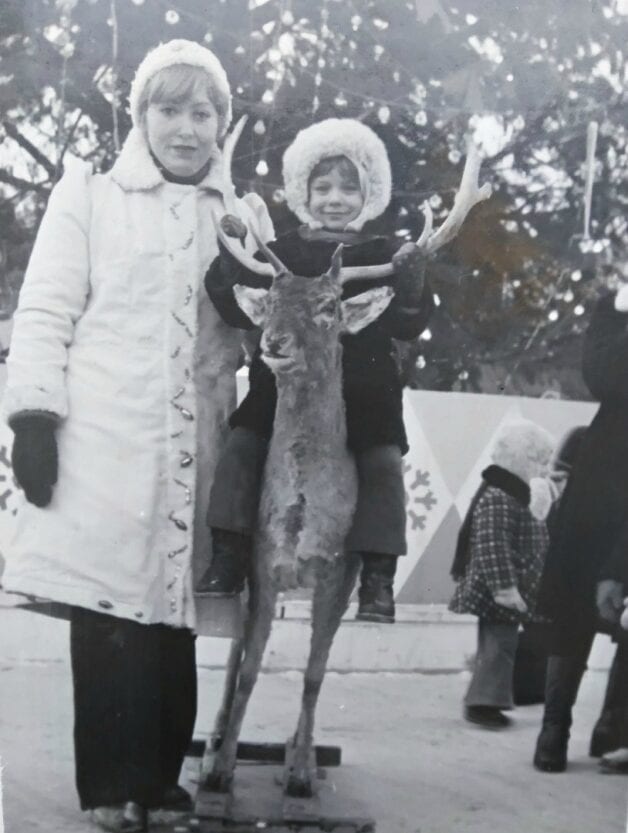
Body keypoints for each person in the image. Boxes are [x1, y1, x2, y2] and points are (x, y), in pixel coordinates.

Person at [1, 39, 273, 832]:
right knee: (109, 612)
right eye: (169, 109)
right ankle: (108, 786)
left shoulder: (240, 216)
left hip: (198, 439)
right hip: (101, 435)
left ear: (221, 122)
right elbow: (48, 308)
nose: (186, 129)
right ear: (140, 116)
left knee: (171, 611)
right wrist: (33, 419)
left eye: (203, 112)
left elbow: (267, 332)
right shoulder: (88, 195)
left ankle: (158, 778)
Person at [196, 117, 434, 624]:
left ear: (370, 195)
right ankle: (228, 555)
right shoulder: (278, 251)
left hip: (363, 391)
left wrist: (412, 285)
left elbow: (406, 323)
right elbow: (239, 308)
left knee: (383, 464)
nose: (335, 199)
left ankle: (377, 579)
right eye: (322, 187)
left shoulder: (387, 254)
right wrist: (229, 262)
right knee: (243, 446)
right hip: (279, 389)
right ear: (303, 191)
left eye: (350, 188)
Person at [533, 286, 628, 773]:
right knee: (574, 601)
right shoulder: (615, 305)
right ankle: (554, 729)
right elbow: (605, 377)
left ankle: (615, 731)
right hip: (608, 472)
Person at [449, 420, 555, 729]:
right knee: (500, 647)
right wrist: (505, 588)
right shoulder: (500, 495)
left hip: (508, 588)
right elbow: (492, 544)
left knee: (499, 646)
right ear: (524, 458)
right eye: (541, 461)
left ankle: (487, 697)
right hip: (498, 590)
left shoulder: (516, 492)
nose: (545, 468)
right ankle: (483, 703)